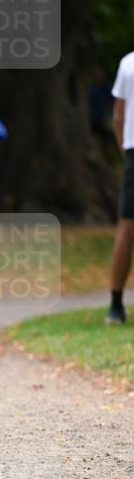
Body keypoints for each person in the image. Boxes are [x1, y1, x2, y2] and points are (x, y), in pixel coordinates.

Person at [106, 50, 134, 324]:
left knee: (126, 229)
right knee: (126, 229)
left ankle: (116, 305)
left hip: (132, 152)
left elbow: (118, 116)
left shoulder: (128, 62)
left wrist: (124, 151)